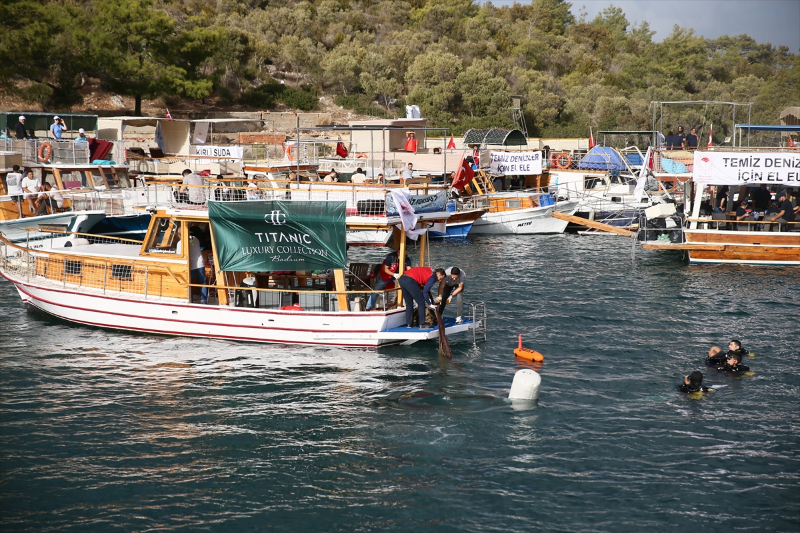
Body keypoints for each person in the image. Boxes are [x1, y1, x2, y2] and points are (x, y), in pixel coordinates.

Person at [188, 228, 208, 304]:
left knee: (189, 283)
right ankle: (203, 300)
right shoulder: (195, 239)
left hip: (190, 265)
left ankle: (190, 300)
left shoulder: (182, 242)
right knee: (202, 282)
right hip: (200, 263)